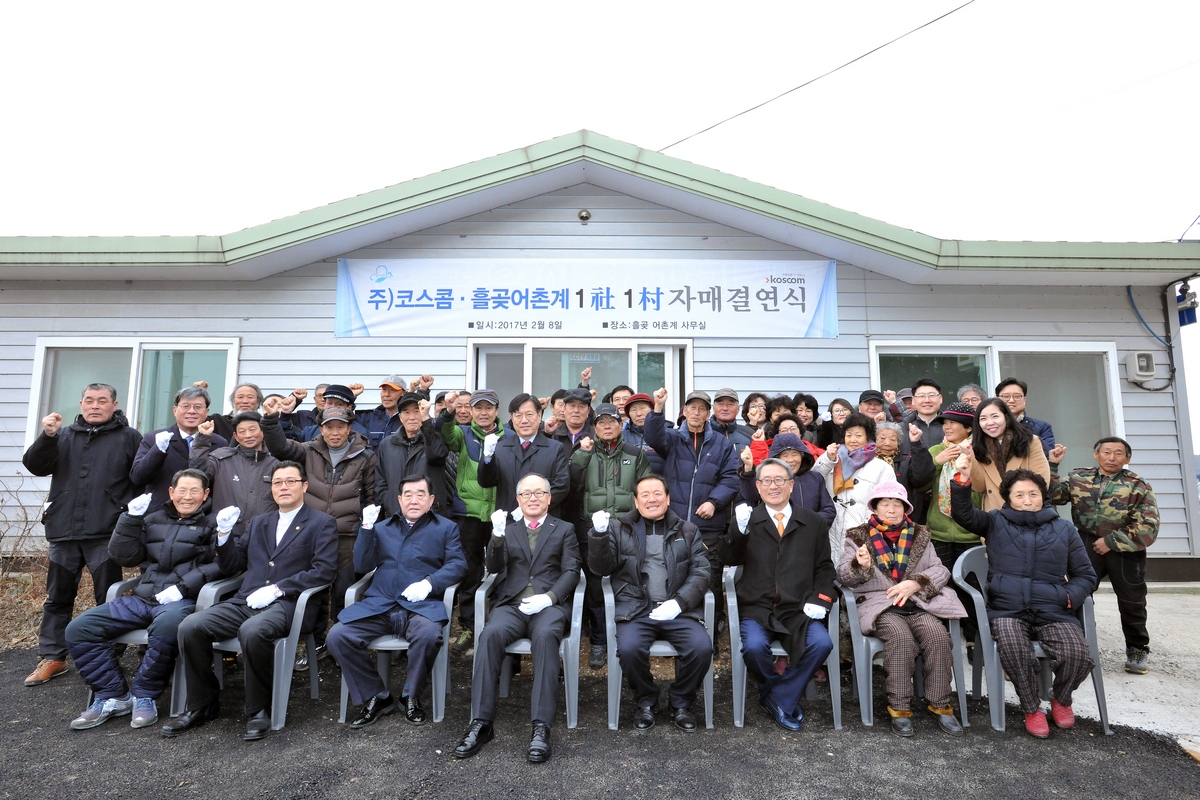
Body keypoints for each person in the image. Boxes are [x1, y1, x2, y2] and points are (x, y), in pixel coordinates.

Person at [164, 461, 338, 741]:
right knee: (190, 626)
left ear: (304, 486)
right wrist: (223, 536)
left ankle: (259, 709)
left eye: (290, 481)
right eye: (278, 482)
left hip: (289, 604)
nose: (283, 487)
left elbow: (325, 571)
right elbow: (233, 564)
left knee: (253, 630)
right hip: (246, 601)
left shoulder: (321, 522)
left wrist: (279, 589)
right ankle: (203, 705)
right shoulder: (260, 522)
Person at [65, 469, 225, 730]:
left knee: (167, 626)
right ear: (171, 492)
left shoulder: (215, 522)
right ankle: (113, 695)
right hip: (143, 598)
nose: (187, 496)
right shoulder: (153, 519)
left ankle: (145, 695)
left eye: (195, 490)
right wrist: (129, 520)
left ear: (206, 494)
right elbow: (124, 556)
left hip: (182, 601)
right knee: (80, 628)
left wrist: (183, 588)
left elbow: (223, 565)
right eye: (181, 490)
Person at [950, 465, 1098, 739]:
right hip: (1007, 608)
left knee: (1077, 655)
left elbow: (1086, 575)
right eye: (1019, 495)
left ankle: (1061, 698)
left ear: (1044, 495)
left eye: (1033, 494)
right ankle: (1031, 707)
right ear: (1008, 498)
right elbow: (963, 514)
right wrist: (962, 480)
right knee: (1014, 649)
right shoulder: (995, 521)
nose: (1027, 500)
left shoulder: (1064, 529)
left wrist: (1068, 597)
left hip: (1053, 608)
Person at [21, 383, 144, 687]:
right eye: (89, 400)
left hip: (107, 531)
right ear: (81, 403)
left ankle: (109, 653)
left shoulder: (129, 438)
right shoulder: (62, 436)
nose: (95, 406)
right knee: (58, 597)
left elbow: (141, 478)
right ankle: (54, 656)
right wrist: (47, 436)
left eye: (102, 401)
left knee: (109, 597)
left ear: (114, 405)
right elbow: (35, 465)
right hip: (64, 529)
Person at [454, 474, 581, 762]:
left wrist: (548, 598)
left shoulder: (564, 529)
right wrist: (496, 536)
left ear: (549, 498)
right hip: (511, 604)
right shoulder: (507, 529)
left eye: (539, 493)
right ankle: (481, 723)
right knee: (490, 634)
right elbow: (494, 567)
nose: (532, 498)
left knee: (547, 636)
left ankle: (541, 726)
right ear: (518, 499)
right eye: (526, 494)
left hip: (547, 605)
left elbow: (572, 571)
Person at [328, 474, 466, 728]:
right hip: (380, 604)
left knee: (429, 635)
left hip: (420, 607)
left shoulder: (446, 527)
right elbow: (363, 565)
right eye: (408, 495)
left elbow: (458, 564)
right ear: (400, 500)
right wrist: (366, 530)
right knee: (338, 635)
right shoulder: (382, 528)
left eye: (420, 494)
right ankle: (377, 695)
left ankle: (410, 695)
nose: (414, 500)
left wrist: (429, 584)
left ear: (431, 499)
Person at [837, 481, 966, 737]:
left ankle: (940, 704)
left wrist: (915, 583)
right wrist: (859, 565)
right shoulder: (857, 537)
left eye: (897, 504)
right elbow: (843, 576)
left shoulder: (920, 534)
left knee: (938, 637)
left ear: (906, 509)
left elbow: (940, 569)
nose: (892, 509)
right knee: (901, 639)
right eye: (885, 503)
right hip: (880, 605)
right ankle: (900, 707)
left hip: (916, 603)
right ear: (875, 507)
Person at [588, 475, 712, 731]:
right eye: (644, 494)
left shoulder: (688, 530)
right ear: (635, 500)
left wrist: (679, 603)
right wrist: (599, 536)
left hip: (678, 609)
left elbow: (701, 571)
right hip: (637, 609)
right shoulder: (619, 528)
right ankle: (646, 700)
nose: (651, 499)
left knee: (701, 649)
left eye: (657, 493)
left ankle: (681, 702)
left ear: (667, 499)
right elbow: (601, 568)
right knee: (630, 650)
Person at [260, 399, 377, 669]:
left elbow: (371, 495)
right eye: (329, 427)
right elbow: (279, 447)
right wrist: (269, 420)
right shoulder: (308, 450)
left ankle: (344, 644)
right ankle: (315, 644)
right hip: (311, 531)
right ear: (321, 429)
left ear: (350, 428)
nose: (334, 432)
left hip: (348, 534)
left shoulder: (366, 456)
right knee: (312, 591)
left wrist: (368, 526)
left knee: (345, 592)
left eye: (340, 427)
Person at [729, 459, 835, 731]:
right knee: (753, 648)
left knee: (822, 644)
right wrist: (738, 532)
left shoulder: (813, 522)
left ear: (791, 484)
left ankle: (777, 697)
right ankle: (780, 695)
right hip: (757, 607)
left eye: (779, 480)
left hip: (798, 610)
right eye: (766, 480)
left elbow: (824, 567)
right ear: (758, 486)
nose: (773, 486)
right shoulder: (747, 519)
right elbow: (727, 558)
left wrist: (820, 599)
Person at [1048, 437, 1159, 674]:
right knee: (1076, 596)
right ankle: (1078, 647)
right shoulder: (1079, 477)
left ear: (1127, 458)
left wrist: (1111, 542)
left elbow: (1149, 525)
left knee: (1132, 601)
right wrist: (1053, 466)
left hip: (1126, 549)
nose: (1112, 457)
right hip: (1086, 543)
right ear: (1096, 455)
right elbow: (1054, 496)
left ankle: (1137, 649)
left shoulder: (1138, 485)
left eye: (1119, 453)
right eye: (1107, 452)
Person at [644, 388, 739, 636]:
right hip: (673, 522)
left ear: (708, 414)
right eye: (692, 408)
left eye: (701, 409)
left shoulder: (722, 444)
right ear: (684, 412)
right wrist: (657, 408)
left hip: (708, 525)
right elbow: (652, 437)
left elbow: (731, 478)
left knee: (709, 575)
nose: (696, 412)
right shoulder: (673, 438)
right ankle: (673, 625)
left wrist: (713, 502)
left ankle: (712, 631)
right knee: (673, 573)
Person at [571, 403, 653, 667]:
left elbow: (647, 488)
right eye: (601, 422)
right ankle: (598, 641)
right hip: (594, 532)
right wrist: (581, 456)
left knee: (630, 583)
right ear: (594, 427)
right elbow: (571, 486)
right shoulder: (584, 452)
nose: (607, 426)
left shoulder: (634, 452)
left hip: (629, 531)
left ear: (622, 424)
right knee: (595, 587)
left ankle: (627, 637)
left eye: (612, 421)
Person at [436, 389, 507, 656]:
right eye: (479, 408)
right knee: (469, 568)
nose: (483, 413)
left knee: (503, 568)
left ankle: (499, 623)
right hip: (469, 512)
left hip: (500, 512)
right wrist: (449, 411)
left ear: (497, 411)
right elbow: (445, 433)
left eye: (489, 408)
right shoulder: (463, 434)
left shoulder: (508, 437)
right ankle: (468, 626)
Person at [923, 402, 983, 643]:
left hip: (970, 533)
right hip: (938, 531)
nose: (946, 426)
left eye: (952, 422)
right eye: (944, 422)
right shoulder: (935, 449)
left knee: (972, 589)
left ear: (968, 428)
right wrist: (937, 462)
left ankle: (973, 641)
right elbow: (918, 485)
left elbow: (983, 489)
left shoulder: (980, 451)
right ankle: (942, 639)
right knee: (939, 587)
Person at [131, 386, 228, 514]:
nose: (191, 411)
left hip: (203, 517)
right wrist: (158, 450)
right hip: (159, 515)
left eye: (198, 407)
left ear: (206, 412)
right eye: (186, 406)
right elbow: (138, 478)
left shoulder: (219, 442)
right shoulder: (154, 438)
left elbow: (221, 484)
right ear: (175, 410)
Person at [814, 412, 897, 561]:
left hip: (864, 530)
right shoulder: (832, 458)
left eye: (858, 435)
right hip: (832, 527)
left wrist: (869, 525)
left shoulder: (881, 467)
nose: (852, 440)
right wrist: (828, 459)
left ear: (868, 437)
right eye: (849, 435)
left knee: (858, 571)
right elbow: (814, 480)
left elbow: (889, 503)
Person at [477, 393, 571, 520]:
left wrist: (531, 508)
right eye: (518, 415)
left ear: (539, 416)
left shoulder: (555, 448)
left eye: (529, 414)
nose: (524, 420)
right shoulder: (500, 448)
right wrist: (487, 457)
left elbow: (561, 486)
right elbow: (486, 482)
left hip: (545, 522)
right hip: (509, 522)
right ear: (512, 418)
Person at [191, 411, 278, 540]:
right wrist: (203, 439)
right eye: (242, 432)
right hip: (226, 535)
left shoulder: (275, 464)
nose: (248, 435)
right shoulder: (221, 458)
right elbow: (197, 474)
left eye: (252, 430)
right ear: (236, 437)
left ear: (263, 432)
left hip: (264, 536)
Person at [375, 392, 451, 519]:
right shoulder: (387, 444)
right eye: (406, 412)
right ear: (400, 417)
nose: (412, 417)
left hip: (430, 515)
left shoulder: (434, 438)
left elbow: (437, 455)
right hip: (396, 514)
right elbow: (380, 481)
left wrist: (426, 421)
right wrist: (390, 502)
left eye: (417, 411)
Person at [969, 398, 1050, 512]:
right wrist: (969, 456)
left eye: (995, 416)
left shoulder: (1029, 441)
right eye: (983, 419)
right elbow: (979, 487)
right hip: (994, 515)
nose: (990, 422)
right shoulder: (978, 447)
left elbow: (1041, 481)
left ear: (1006, 417)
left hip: (1027, 513)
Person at [739, 432, 835, 526]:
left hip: (810, 535)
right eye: (785, 455)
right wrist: (748, 467)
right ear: (777, 458)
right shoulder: (768, 479)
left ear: (802, 457)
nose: (790, 460)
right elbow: (751, 495)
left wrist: (808, 524)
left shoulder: (815, 478)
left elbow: (829, 511)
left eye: (794, 454)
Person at [875, 420, 935, 522]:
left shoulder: (906, 462)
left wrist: (916, 444)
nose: (887, 443)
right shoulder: (866, 463)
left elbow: (922, 478)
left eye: (893, 439)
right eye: (882, 439)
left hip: (902, 519)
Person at [996, 377, 1056, 456]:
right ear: (997, 399)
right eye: (1006, 396)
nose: (1011, 400)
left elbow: (1045, 455)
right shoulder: (989, 426)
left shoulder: (1043, 427)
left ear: (1024, 400)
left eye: (1017, 396)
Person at [621, 392, 666, 475]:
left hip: (660, 483)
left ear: (652, 410)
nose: (638, 414)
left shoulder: (665, 434)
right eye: (633, 410)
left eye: (642, 408)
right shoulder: (622, 437)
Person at [903, 378, 945, 448]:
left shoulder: (952, 427)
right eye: (921, 396)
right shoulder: (902, 428)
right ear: (913, 400)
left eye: (931, 395)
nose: (927, 400)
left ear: (940, 398)